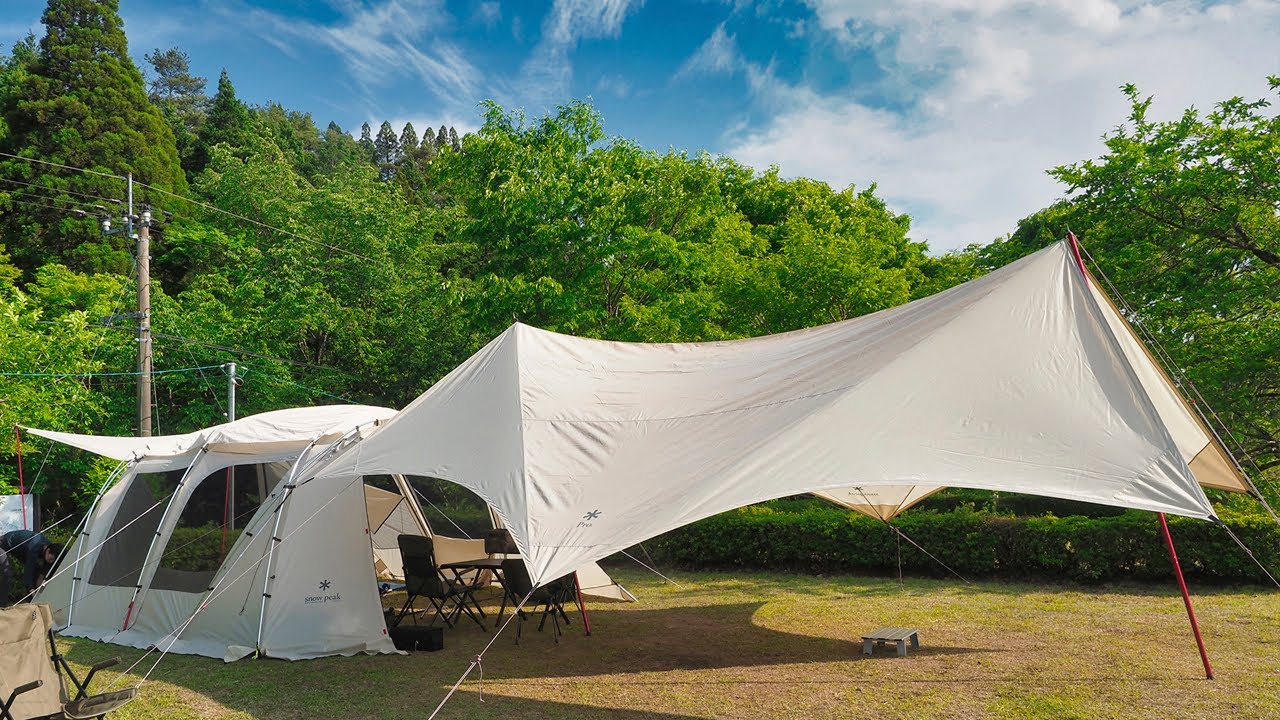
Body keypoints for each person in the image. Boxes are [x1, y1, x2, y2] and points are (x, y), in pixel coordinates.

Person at [1, 529, 62, 605]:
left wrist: (41, 585)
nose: (51, 561)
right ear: (48, 550)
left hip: (20, 549)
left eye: (53, 560)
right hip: (3, 544)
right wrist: (31, 589)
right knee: (8, 573)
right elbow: (29, 570)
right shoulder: (35, 547)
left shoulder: (51, 548)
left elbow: (43, 572)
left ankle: (32, 601)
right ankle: (2, 604)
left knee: (37, 570)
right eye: (51, 559)